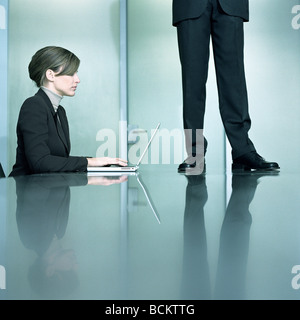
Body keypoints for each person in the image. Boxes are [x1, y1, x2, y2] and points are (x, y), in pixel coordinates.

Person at [173, 0, 280, 173]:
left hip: (230, 4)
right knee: (193, 81)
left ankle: (242, 150)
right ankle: (195, 151)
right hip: (190, 4)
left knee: (234, 78)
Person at [9, 46, 127, 177]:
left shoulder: (60, 111)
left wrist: (96, 162)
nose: (77, 79)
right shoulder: (34, 106)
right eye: (71, 73)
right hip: (27, 190)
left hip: (49, 190)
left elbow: (58, 160)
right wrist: (89, 162)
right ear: (50, 75)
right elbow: (40, 162)